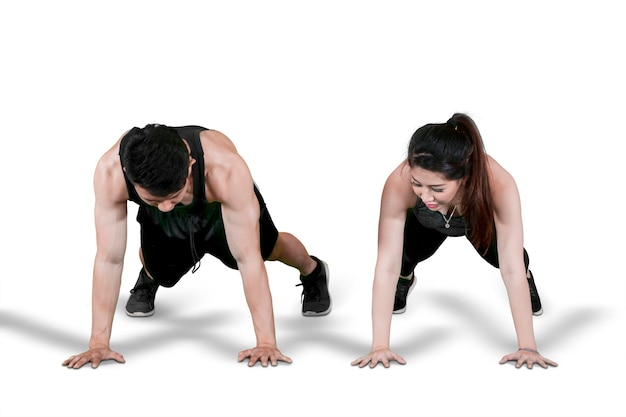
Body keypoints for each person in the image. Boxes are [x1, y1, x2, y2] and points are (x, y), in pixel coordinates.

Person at [62, 124, 331, 369]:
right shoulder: (110, 172)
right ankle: (150, 276)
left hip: (218, 207)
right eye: (155, 199)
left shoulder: (226, 170)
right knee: (157, 267)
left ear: (190, 164)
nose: (166, 207)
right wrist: (98, 343)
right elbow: (109, 258)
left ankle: (313, 270)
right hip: (163, 212)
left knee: (269, 250)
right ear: (128, 176)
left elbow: (249, 259)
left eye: (172, 197)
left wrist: (266, 343)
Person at [351, 113, 557, 369]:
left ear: (465, 178)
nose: (425, 195)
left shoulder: (498, 183)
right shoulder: (400, 181)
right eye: (418, 184)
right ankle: (407, 278)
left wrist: (528, 347)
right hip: (427, 223)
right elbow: (386, 265)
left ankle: (529, 282)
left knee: (513, 259)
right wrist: (379, 346)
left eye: (437, 188)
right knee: (403, 257)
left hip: (476, 218)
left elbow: (510, 267)